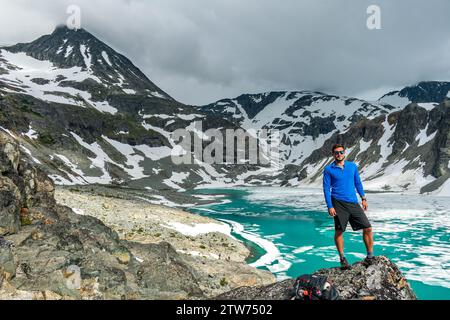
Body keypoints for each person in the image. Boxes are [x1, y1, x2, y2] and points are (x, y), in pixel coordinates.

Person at [322, 144, 374, 270]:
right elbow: (326, 189)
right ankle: (342, 258)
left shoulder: (352, 166)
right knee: (339, 231)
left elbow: (358, 183)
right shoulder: (329, 169)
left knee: (367, 228)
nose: (339, 154)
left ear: (344, 153)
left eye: (341, 152)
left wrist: (363, 198)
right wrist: (330, 206)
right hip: (338, 203)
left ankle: (369, 256)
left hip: (353, 202)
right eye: (336, 152)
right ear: (333, 155)